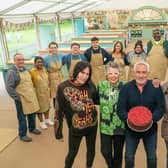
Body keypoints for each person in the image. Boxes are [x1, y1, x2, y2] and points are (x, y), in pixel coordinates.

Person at [117, 61, 165, 168]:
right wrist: (130, 118)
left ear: (148, 73)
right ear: (134, 73)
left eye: (144, 72)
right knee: (129, 158)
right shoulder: (126, 88)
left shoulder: (155, 87)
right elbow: (120, 109)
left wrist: (151, 118)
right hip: (131, 130)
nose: (141, 75)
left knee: (152, 158)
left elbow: (160, 107)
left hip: (150, 129)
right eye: (138, 72)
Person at [54, 61, 98, 168]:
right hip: (76, 127)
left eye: (87, 74)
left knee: (91, 150)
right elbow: (58, 111)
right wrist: (58, 132)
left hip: (92, 125)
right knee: (72, 153)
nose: (85, 76)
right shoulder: (63, 87)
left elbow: (96, 100)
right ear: (76, 71)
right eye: (82, 73)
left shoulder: (91, 84)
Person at [5, 53, 41, 142]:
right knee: (22, 117)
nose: (21, 61)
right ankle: (22, 134)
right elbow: (9, 88)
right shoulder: (11, 72)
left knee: (32, 114)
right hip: (21, 99)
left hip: (30, 97)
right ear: (14, 61)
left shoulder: (26, 70)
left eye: (22, 59)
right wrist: (19, 98)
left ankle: (32, 128)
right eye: (18, 60)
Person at [97, 62, 125, 168]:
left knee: (118, 153)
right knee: (105, 151)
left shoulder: (125, 86)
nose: (113, 76)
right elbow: (95, 100)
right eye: (110, 73)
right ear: (106, 74)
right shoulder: (101, 85)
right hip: (105, 125)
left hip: (120, 125)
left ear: (119, 74)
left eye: (115, 73)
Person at [30, 56, 54, 129]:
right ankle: (41, 122)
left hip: (46, 91)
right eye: (38, 62)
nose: (40, 63)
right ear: (35, 63)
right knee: (40, 109)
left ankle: (47, 120)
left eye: (41, 62)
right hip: (38, 92)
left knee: (47, 107)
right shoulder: (32, 72)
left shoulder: (44, 69)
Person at [43, 42, 64, 107]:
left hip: (60, 76)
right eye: (52, 48)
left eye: (55, 47)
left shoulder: (61, 55)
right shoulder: (46, 58)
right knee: (55, 96)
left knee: (62, 94)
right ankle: (57, 112)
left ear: (57, 48)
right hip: (52, 78)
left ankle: (63, 111)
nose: (54, 49)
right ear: (49, 49)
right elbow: (44, 70)